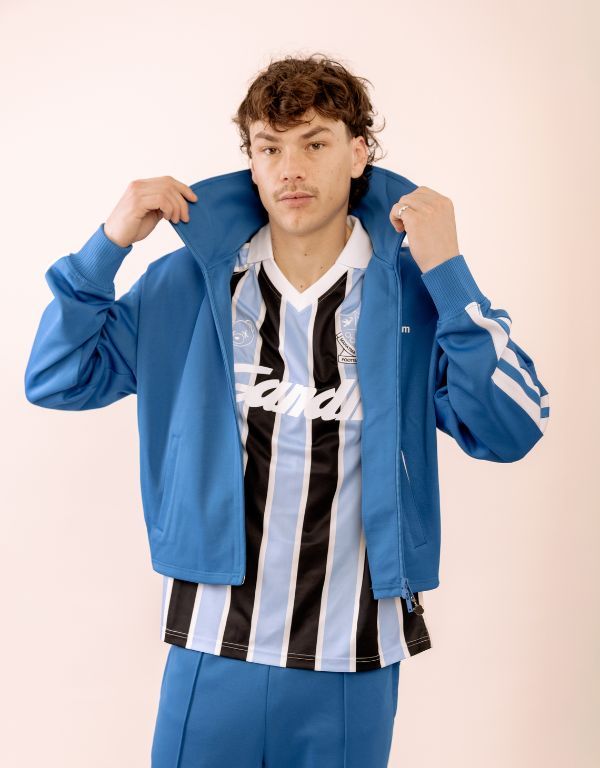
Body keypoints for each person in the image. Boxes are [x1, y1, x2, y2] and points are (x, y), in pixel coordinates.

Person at [24, 53, 550, 768]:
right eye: (270, 148)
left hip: (353, 655)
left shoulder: (415, 294)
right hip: (213, 641)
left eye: (315, 143)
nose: (290, 169)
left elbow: (512, 427)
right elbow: (56, 376)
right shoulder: (187, 284)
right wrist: (108, 244)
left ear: (358, 154)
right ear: (251, 161)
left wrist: (450, 273)